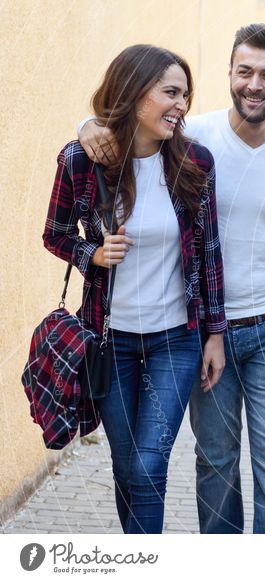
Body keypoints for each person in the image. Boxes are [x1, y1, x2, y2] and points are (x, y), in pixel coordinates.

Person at [78, 24, 265, 534]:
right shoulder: (193, 138)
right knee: (215, 461)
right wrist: (89, 123)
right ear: (230, 74)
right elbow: (131, 120)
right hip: (202, 331)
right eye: (245, 72)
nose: (254, 84)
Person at [44, 44, 226, 534]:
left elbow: (209, 253)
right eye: (170, 92)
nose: (181, 105)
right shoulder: (82, 161)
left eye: (185, 95)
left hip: (175, 340)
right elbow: (55, 233)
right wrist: (92, 255)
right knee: (128, 470)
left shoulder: (195, 164)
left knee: (148, 467)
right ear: (134, 93)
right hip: (110, 342)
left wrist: (214, 334)